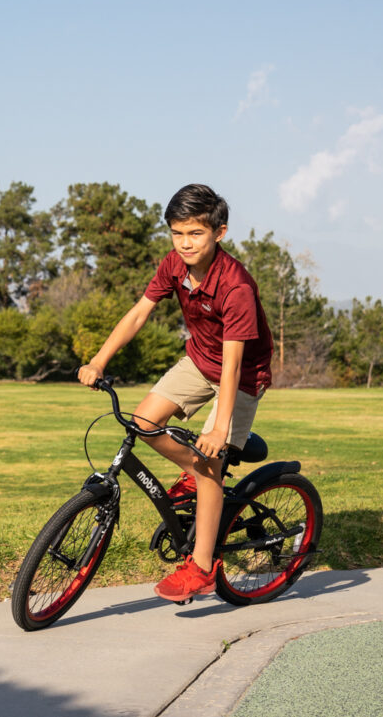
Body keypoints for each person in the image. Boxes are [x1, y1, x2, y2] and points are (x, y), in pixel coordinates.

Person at [77, 183, 273, 602]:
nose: (185, 244)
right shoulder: (174, 265)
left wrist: (219, 430)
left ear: (219, 233)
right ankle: (197, 471)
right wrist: (99, 360)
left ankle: (201, 566)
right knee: (143, 422)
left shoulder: (235, 286)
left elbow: (235, 363)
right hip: (200, 361)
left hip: (239, 376)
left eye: (195, 234)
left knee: (209, 466)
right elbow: (139, 314)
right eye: (177, 233)